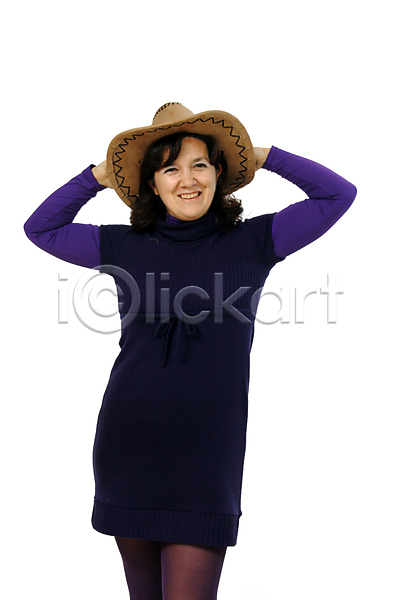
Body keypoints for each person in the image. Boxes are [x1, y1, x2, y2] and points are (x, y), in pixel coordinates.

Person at [23, 102, 357, 600]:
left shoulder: (256, 241)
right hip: (129, 443)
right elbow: (41, 228)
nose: (187, 180)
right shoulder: (121, 245)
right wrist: (98, 176)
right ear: (152, 183)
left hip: (207, 455)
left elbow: (337, 195)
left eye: (199, 164)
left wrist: (262, 156)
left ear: (218, 173)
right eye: (169, 169)